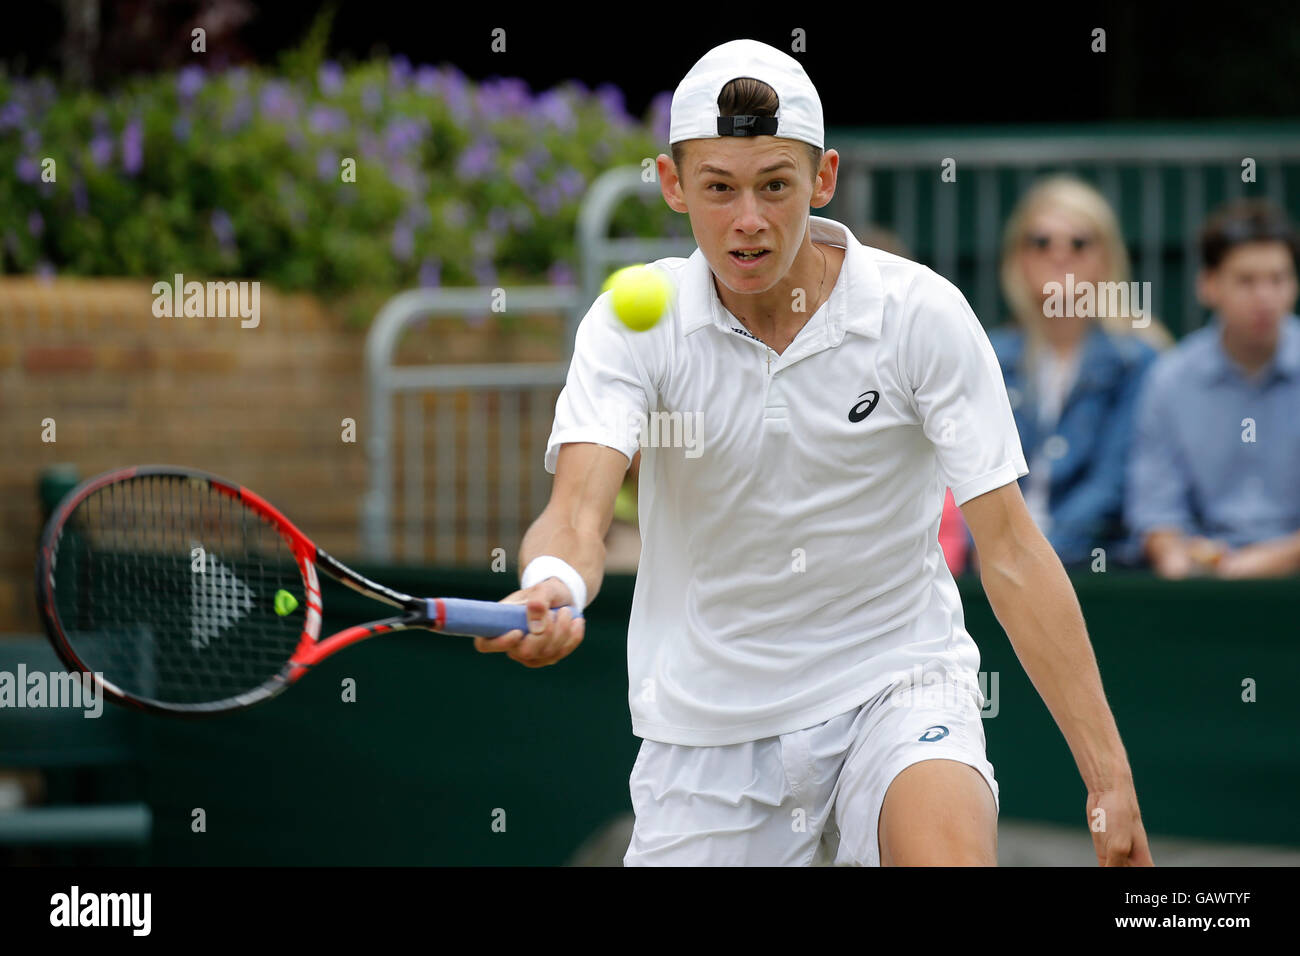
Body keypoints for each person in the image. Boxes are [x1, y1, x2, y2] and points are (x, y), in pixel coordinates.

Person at [479, 39, 1151, 867]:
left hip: (898, 683)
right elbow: (576, 515)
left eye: (775, 185)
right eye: (719, 188)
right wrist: (551, 584)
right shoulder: (631, 323)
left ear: (823, 179)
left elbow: (1010, 552)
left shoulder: (920, 314)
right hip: (709, 726)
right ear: (671, 184)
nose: (749, 219)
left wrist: (1109, 777)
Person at [986, 175, 1165, 568]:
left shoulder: (1139, 361)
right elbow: (967, 474)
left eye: (1080, 243)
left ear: (1106, 258)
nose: (1059, 254)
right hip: (990, 567)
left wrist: (1031, 556)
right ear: (1019, 257)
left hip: (1095, 571)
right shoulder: (987, 354)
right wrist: (988, 550)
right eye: (1041, 241)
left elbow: (1112, 486)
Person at [1127, 198, 1300, 579]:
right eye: (1246, 281)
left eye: (1278, 279)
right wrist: (1177, 557)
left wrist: (1271, 561)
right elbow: (1156, 515)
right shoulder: (1170, 380)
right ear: (1208, 285)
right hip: (1203, 590)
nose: (1265, 297)